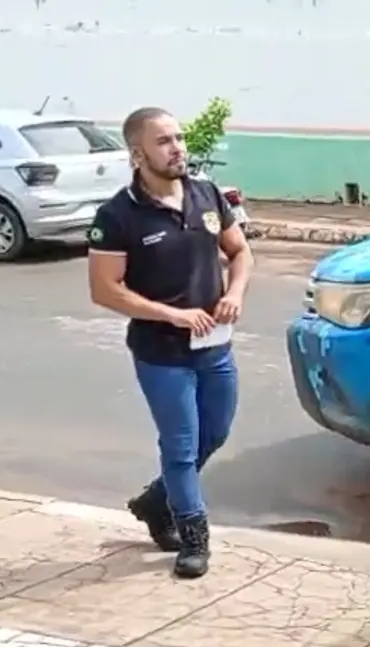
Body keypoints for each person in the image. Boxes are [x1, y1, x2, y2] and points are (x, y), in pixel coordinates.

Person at [87, 106, 254, 579]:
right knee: (180, 446)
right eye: (164, 141)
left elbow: (239, 252)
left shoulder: (206, 195)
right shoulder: (118, 215)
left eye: (179, 138)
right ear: (137, 153)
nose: (177, 147)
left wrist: (235, 293)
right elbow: (105, 289)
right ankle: (193, 537)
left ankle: (155, 501)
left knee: (214, 434)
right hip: (161, 354)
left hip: (215, 348)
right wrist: (172, 314)